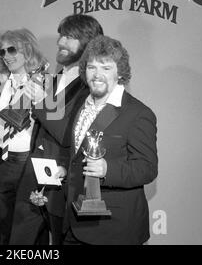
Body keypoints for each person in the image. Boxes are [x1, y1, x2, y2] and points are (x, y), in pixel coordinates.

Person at [11, 14, 104, 244]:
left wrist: (42, 102)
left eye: (70, 37)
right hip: (36, 170)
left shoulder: (92, 85)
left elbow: (70, 134)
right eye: (62, 35)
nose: (61, 42)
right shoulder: (57, 75)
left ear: (89, 44)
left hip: (62, 179)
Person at [64, 35, 158, 245]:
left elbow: (147, 168)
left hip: (115, 230)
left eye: (106, 68)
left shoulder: (138, 113)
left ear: (120, 73)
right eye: (91, 67)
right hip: (75, 221)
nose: (97, 75)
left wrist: (108, 169)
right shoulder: (81, 104)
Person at [0, 28, 48, 245]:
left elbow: (53, 124)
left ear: (27, 50)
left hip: (28, 163)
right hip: (2, 160)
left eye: (12, 49)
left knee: (30, 227)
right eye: (2, 52)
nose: (6, 56)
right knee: (5, 223)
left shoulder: (43, 83)